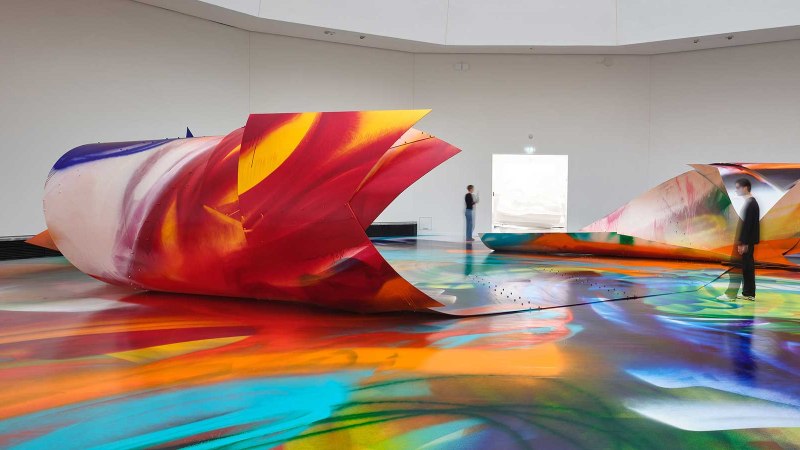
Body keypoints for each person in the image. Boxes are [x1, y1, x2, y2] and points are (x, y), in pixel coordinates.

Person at [718, 178, 760, 301]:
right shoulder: (751, 203)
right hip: (747, 242)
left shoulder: (751, 204)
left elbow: (748, 226)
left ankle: (731, 294)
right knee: (747, 267)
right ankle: (748, 293)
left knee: (737, 267)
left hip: (746, 243)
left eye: (738, 187)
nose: (736, 190)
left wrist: (744, 243)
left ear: (745, 188)